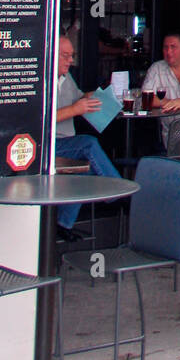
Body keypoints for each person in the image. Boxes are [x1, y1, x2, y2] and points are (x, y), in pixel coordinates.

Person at [54, 34, 121, 238]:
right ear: (51, 54)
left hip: (66, 142)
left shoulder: (66, 78)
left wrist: (95, 95)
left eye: (72, 55)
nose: (71, 60)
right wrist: (75, 109)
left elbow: (78, 98)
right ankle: (116, 191)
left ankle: (62, 225)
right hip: (48, 145)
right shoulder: (40, 79)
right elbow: (38, 119)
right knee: (88, 144)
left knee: (85, 171)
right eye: (65, 56)